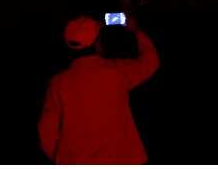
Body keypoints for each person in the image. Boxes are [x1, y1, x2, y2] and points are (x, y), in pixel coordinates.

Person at [38, 15, 159, 164]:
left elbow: (47, 132)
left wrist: (63, 158)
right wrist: (137, 32)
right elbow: (151, 61)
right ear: (98, 44)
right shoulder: (117, 72)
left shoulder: (58, 84)